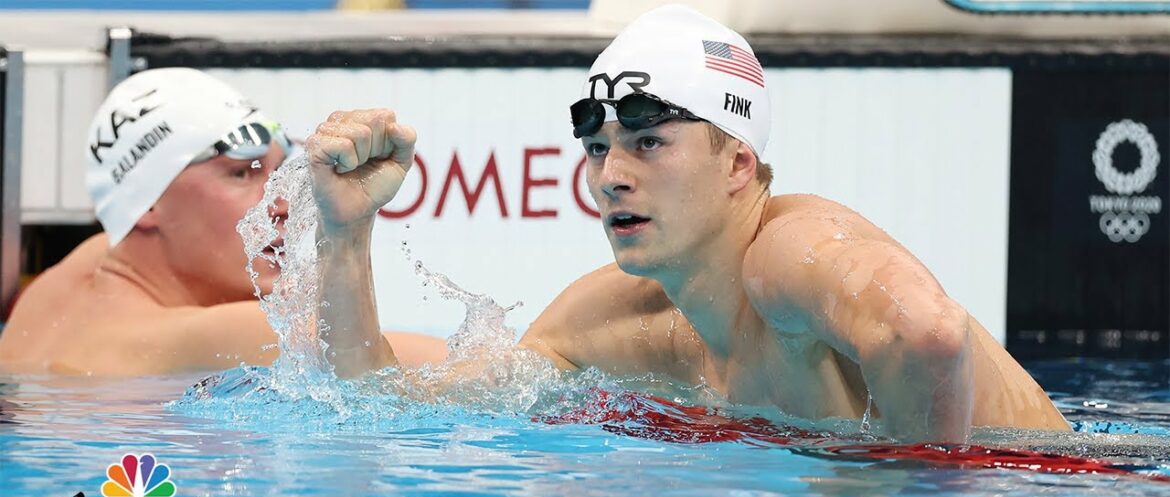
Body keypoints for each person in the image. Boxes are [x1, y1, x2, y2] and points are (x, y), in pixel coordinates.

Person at [306, 5, 1069, 441]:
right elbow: (381, 403)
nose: (612, 175)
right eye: (598, 148)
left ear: (738, 164)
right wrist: (345, 237)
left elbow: (928, 334)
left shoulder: (789, 256)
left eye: (648, 143)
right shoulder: (618, 319)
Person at [0, 68, 445, 376]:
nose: (282, 203)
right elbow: (483, 378)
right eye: (240, 173)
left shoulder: (71, 281)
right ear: (149, 205)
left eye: (279, 171)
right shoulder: (192, 338)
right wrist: (346, 235)